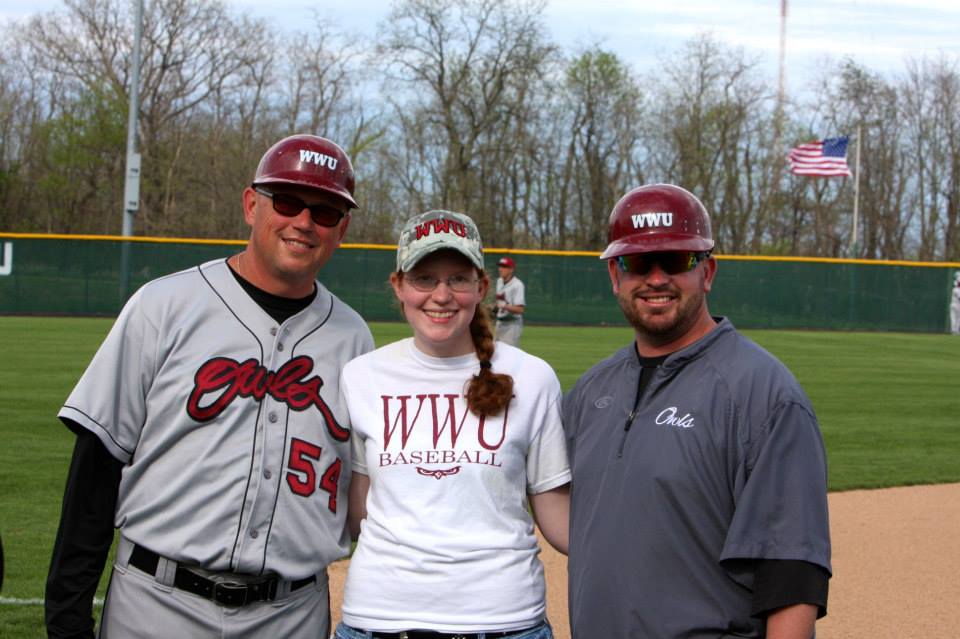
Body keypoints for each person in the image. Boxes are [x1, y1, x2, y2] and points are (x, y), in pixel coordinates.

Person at [44, 134, 374, 639]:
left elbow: (364, 489)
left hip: (291, 614)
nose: (304, 222)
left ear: (342, 228)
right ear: (250, 205)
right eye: (286, 201)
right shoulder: (164, 305)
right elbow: (96, 465)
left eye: (325, 211)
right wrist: (67, 621)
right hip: (156, 605)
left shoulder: (353, 337)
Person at [563, 184, 831, 639]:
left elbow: (791, 574)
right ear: (614, 275)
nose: (656, 277)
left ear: (707, 272)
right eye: (637, 262)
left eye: (676, 260)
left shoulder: (763, 393)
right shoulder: (591, 391)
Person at [336, 210, 570, 639]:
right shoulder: (361, 376)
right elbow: (356, 509)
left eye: (457, 279)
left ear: (481, 287)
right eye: (424, 278)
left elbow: (556, 513)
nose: (441, 295)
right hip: (379, 619)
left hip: (505, 620)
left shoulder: (532, 378)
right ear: (399, 286)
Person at [494, 255, 526, 346]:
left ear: (511, 269)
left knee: (510, 356)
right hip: (499, 323)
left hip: (512, 325)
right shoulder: (499, 281)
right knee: (495, 354)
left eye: (504, 267)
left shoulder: (518, 285)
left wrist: (504, 306)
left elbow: (520, 309)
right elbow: (500, 303)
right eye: (500, 266)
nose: (500, 269)